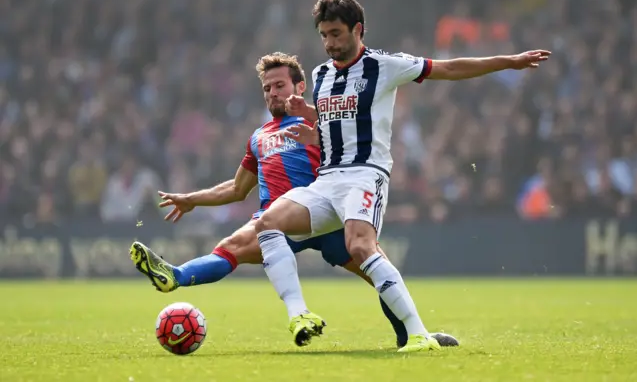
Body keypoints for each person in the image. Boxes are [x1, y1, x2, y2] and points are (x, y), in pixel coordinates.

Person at [252, 0, 551, 353]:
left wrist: (509, 62)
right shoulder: (321, 74)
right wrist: (311, 114)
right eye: (324, 35)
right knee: (267, 224)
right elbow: (343, 120)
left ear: (357, 29)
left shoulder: (384, 65)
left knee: (360, 246)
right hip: (327, 179)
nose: (329, 43)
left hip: (365, 174)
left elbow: (449, 68)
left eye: (336, 34)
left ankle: (418, 334)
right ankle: (300, 314)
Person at [128, 51, 459, 349]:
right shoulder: (258, 137)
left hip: (328, 216)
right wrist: (191, 199)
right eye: (267, 88)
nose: (273, 93)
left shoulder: (322, 119)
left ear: (300, 88)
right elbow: (236, 189)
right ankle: (174, 276)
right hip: (280, 224)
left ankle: (411, 337)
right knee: (230, 247)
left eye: (279, 85)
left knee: (378, 270)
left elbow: (358, 143)